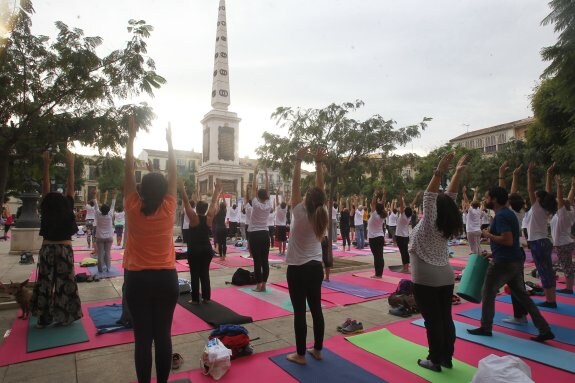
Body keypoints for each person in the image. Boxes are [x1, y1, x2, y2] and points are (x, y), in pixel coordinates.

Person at [123, 118, 179, 383]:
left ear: (141, 190)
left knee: (142, 339)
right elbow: (174, 174)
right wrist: (170, 143)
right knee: (163, 336)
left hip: (137, 279)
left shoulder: (132, 207)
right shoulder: (169, 208)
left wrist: (131, 139)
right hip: (165, 279)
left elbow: (127, 171)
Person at [466, 186, 555, 342]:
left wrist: (488, 235)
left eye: (487, 197)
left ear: (494, 199)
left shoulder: (502, 216)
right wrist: (493, 252)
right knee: (522, 296)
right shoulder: (507, 214)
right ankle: (544, 328)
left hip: (504, 262)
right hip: (512, 259)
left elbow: (507, 240)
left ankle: (486, 327)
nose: (485, 201)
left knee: (488, 292)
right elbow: (510, 242)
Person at [409, 152, 467, 372]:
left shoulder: (427, 225)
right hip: (445, 276)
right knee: (445, 318)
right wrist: (457, 174)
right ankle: (446, 357)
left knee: (433, 321)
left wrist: (439, 172)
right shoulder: (444, 223)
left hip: (427, 280)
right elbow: (448, 198)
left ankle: (434, 360)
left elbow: (429, 197)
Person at [285, 147, 329, 365]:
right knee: (317, 309)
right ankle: (318, 350)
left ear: (306, 200)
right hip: (315, 269)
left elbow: (295, 186)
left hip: (297, 269)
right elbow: (320, 191)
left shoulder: (299, 212)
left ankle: (301, 355)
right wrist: (319, 164)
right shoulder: (323, 214)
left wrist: (298, 160)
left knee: (300, 313)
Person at [31, 149, 82, 328]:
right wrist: (71, 164)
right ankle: (65, 316)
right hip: (64, 250)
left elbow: (45, 188)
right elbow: (70, 186)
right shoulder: (67, 205)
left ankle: (44, 318)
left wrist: (46, 164)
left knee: (45, 282)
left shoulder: (46, 207)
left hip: (47, 250)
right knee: (65, 283)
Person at [180, 181, 221, 304]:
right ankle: (207, 298)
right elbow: (213, 203)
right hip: (207, 249)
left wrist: (182, 188)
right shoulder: (209, 217)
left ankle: (195, 299)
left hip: (195, 250)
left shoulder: (193, 218)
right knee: (204, 273)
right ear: (205, 209)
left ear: (197, 208)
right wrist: (217, 191)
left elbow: (186, 203)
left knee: (195, 274)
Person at [527, 161, 558, 308]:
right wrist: (548, 174)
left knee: (543, 271)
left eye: (535, 195)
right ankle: (551, 299)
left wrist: (529, 173)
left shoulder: (537, 206)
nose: (533, 195)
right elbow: (548, 191)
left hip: (538, 242)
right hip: (544, 241)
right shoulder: (545, 206)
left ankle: (550, 300)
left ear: (538, 199)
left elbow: (530, 188)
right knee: (547, 270)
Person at [248, 167, 272, 292]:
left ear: (258, 196)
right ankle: (264, 284)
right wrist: (266, 175)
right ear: (266, 196)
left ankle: (258, 285)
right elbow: (267, 190)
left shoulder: (256, 204)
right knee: (264, 260)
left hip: (255, 234)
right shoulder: (269, 204)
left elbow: (253, 189)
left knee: (257, 261)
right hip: (265, 233)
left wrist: (255, 174)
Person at [551, 175, 575, 294]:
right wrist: (573, 186)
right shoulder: (570, 211)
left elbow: (561, 199)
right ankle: (569, 287)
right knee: (568, 265)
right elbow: (568, 200)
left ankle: (569, 288)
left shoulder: (562, 214)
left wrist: (559, 186)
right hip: (568, 241)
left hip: (562, 244)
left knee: (567, 266)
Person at [94, 189, 117, 274]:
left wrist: (95, 195)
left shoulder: (98, 215)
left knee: (100, 253)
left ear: (101, 210)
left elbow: (96, 205)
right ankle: (108, 268)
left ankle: (100, 269)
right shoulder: (110, 214)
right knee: (107, 253)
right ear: (108, 210)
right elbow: (113, 204)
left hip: (100, 237)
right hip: (109, 237)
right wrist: (114, 195)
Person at [396, 191, 418, 273]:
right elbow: (411, 205)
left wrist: (401, 198)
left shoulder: (402, 216)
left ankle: (405, 268)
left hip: (400, 236)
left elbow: (402, 206)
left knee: (403, 252)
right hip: (405, 236)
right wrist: (416, 196)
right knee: (405, 251)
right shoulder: (408, 216)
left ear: (404, 211)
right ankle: (406, 266)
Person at [367, 189, 387, 278]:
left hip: (373, 238)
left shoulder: (374, 214)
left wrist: (375, 195)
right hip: (380, 237)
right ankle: (380, 273)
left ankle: (377, 274)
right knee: (380, 255)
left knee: (376, 256)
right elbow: (381, 204)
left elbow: (373, 203)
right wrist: (384, 195)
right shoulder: (382, 215)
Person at [463, 186, 484, 255]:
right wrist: (475, 192)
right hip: (478, 231)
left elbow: (466, 201)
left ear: (471, 205)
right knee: (478, 246)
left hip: (471, 231)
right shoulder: (479, 210)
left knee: (473, 248)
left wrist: (464, 192)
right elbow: (474, 200)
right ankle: (480, 259)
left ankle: (475, 261)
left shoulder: (471, 211)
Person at [275, 191, 288, 256]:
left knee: (280, 240)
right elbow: (286, 202)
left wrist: (277, 194)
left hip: (279, 226)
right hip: (283, 226)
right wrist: (285, 196)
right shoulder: (285, 209)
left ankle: (280, 252)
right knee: (284, 239)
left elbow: (277, 200)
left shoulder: (278, 208)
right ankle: (283, 252)